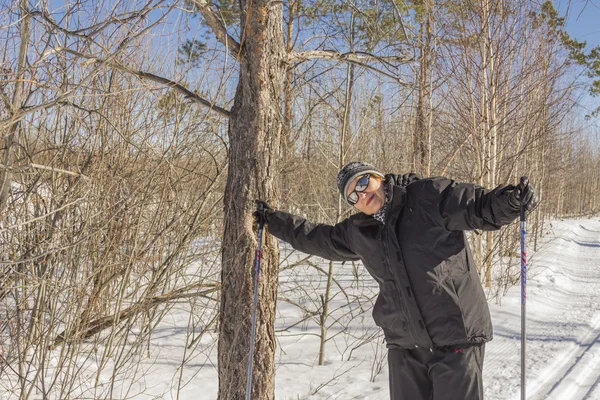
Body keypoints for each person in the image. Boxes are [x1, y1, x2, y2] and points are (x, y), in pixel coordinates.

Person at [254, 161, 537, 400]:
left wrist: (511, 201)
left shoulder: (428, 196)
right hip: (405, 346)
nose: (362, 195)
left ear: (378, 176)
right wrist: (272, 221)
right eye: (352, 196)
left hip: (456, 336)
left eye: (363, 182)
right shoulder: (358, 231)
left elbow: (477, 206)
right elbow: (315, 237)